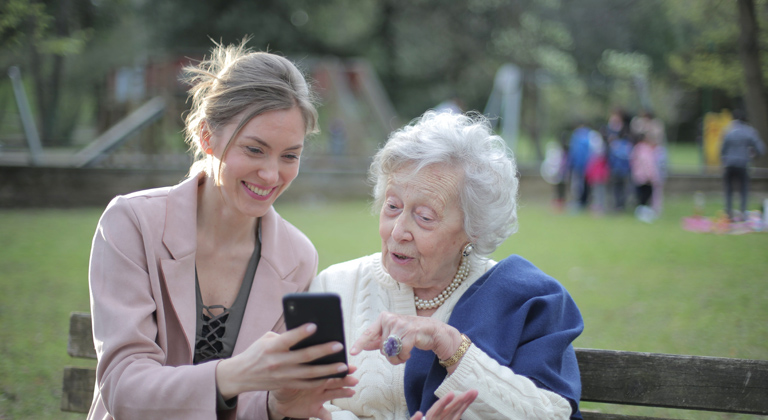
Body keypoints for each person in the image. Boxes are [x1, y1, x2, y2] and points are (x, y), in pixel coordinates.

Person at [87, 41, 357, 420]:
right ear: (206, 137)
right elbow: (124, 390)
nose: (271, 174)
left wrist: (274, 404)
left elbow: (251, 402)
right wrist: (233, 374)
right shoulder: (131, 224)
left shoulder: (296, 257)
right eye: (254, 149)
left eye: (289, 155)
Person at [311, 111, 584, 419]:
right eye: (392, 206)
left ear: (473, 229)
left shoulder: (526, 300)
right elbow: (301, 407)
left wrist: (452, 346)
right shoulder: (333, 287)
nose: (398, 231)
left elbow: (553, 415)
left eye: (425, 217)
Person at [720, 109, 767, 221]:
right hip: (743, 164)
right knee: (744, 190)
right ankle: (742, 213)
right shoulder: (749, 131)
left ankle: (729, 213)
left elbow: (722, 150)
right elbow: (761, 149)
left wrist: (725, 160)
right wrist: (754, 155)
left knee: (729, 190)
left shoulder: (727, 130)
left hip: (729, 164)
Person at [630, 133, 659, 223]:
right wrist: (650, 175)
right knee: (645, 195)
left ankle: (642, 212)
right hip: (645, 177)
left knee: (641, 195)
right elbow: (647, 164)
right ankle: (643, 213)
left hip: (638, 176)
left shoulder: (636, 149)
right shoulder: (644, 149)